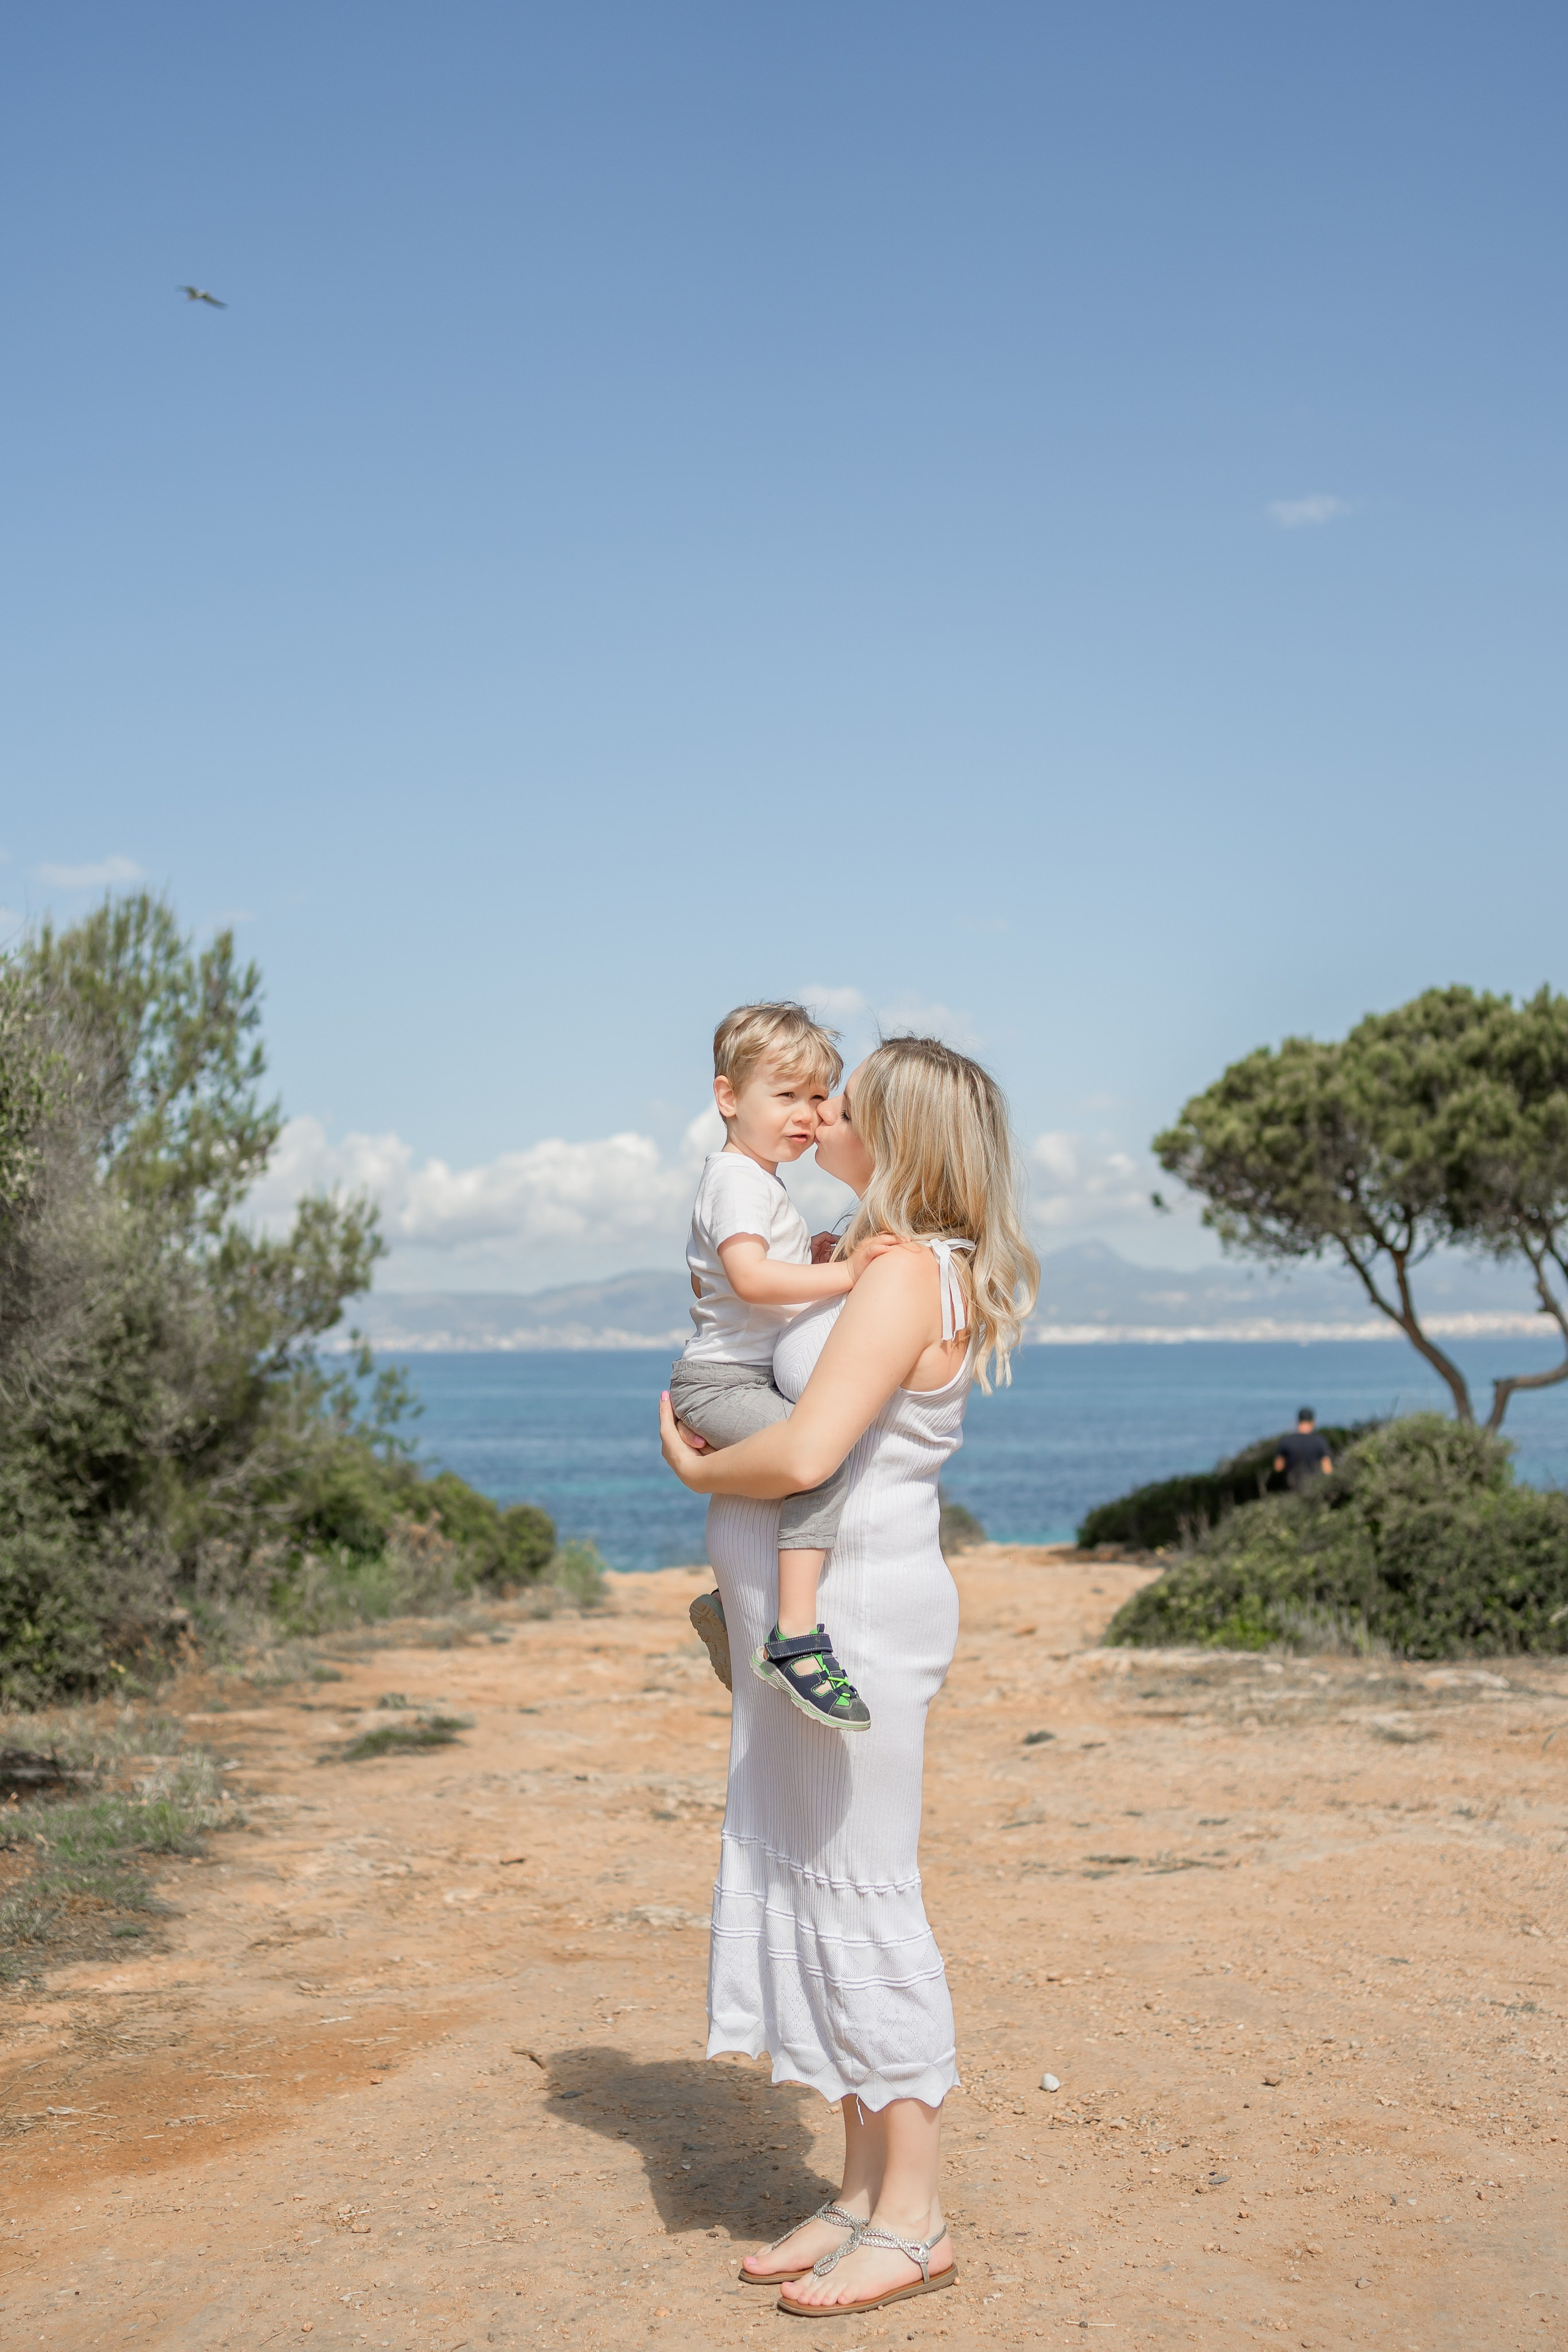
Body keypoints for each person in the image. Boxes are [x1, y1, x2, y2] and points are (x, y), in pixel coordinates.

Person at [658, 1035, 1038, 2319]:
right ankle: (862, 2194)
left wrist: (693, 1469)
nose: (822, 1114)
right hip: (823, 1621)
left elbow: (807, 1452)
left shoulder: (903, 1275)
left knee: (867, 1896)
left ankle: (915, 2220)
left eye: (846, 1103)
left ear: (898, 1137)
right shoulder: (869, 1260)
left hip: (858, 1624)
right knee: (824, 1887)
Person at [668, 1001, 895, 1731]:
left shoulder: (758, 1182)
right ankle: (793, 1639)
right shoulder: (737, 1181)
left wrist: (816, 1256)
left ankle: (730, 1608)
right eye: (786, 1094)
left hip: (738, 1378)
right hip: (722, 1384)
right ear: (728, 1097)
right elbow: (751, 1280)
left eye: (818, 1095)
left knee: (796, 1469)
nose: (807, 1113)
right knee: (816, 1465)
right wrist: (847, 1272)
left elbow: (765, 1275)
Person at [1275, 1407, 1333, 1488]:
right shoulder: (1320, 1441)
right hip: (1313, 1488)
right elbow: (1327, 1469)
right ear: (1313, 1422)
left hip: (1292, 1488)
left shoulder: (1287, 1440)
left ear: (1298, 1421)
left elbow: (1278, 1467)